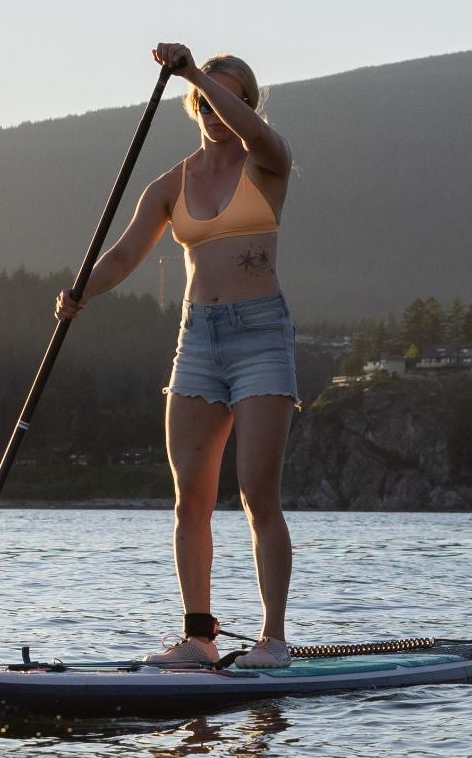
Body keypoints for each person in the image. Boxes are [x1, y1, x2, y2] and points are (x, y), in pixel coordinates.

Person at [55, 42, 298, 669]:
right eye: (205, 100)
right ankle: (199, 636)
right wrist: (81, 292)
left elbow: (256, 133)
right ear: (193, 107)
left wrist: (196, 73)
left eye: (231, 97)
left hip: (260, 336)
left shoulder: (268, 161)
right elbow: (124, 255)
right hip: (199, 341)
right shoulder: (172, 183)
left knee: (256, 493)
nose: (216, 109)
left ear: (247, 104)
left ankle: (273, 640)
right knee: (191, 494)